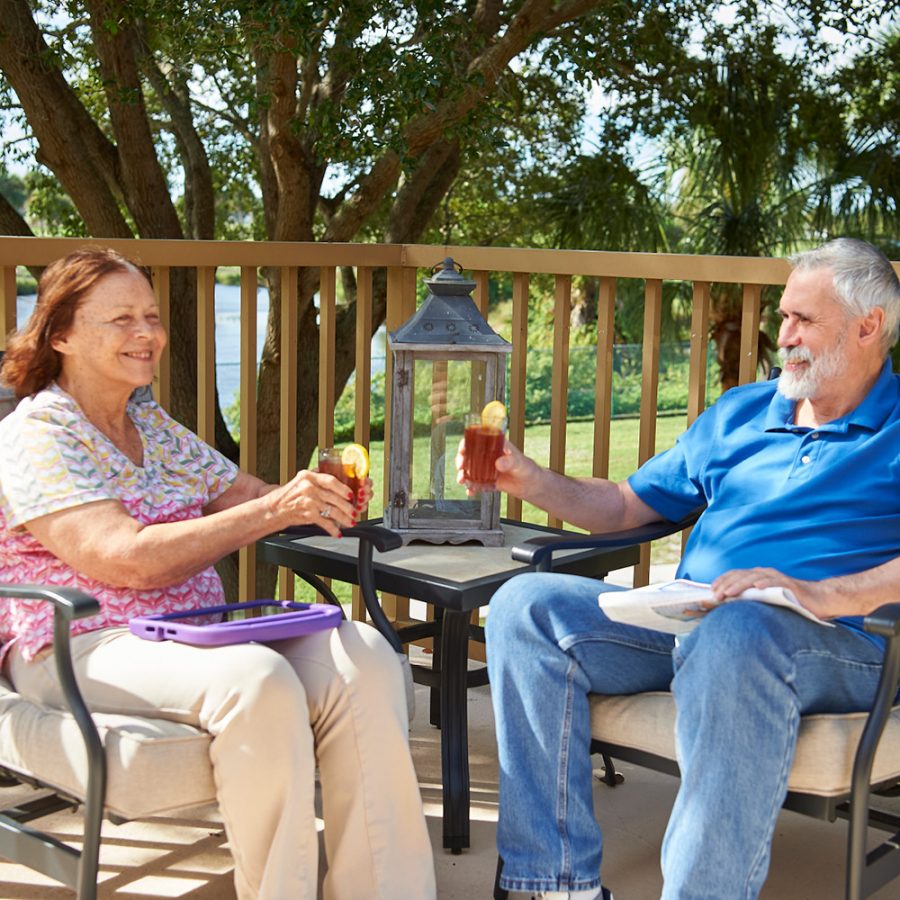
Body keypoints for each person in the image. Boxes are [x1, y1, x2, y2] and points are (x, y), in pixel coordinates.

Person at [457, 237, 900, 900]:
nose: (783, 336)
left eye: (803, 320)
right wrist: (530, 480)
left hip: (840, 642)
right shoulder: (744, 412)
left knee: (740, 631)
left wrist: (817, 592)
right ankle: (559, 887)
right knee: (525, 605)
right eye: (782, 316)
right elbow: (624, 504)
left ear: (870, 326)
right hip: (695, 619)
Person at [0, 248, 436, 900]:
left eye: (150, 316)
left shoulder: (152, 422)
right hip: (81, 643)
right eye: (121, 319)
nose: (146, 334)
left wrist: (312, 499)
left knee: (364, 653)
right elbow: (124, 556)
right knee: (255, 680)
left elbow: (248, 496)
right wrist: (272, 508)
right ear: (60, 335)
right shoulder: (36, 434)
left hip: (195, 630)